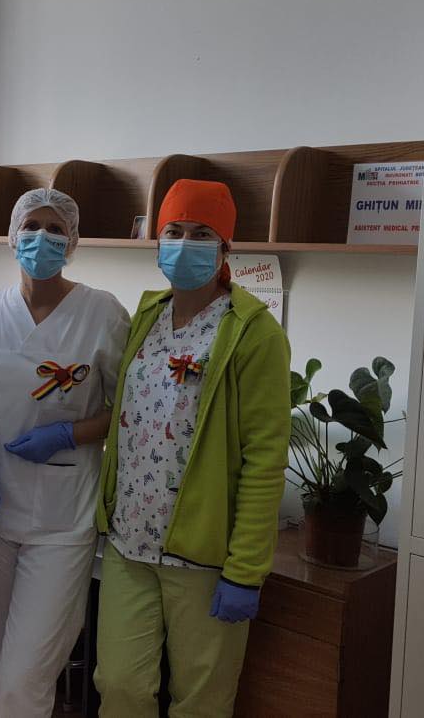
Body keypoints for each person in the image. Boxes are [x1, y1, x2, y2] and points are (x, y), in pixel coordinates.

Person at [93, 179, 291, 717]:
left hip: (204, 557)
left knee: (201, 702)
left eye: (201, 234)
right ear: (157, 240)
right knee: (119, 686)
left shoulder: (253, 332)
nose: (184, 244)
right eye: (174, 231)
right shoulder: (147, 315)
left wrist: (245, 569)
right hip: (129, 541)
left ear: (226, 246)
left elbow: (265, 459)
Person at [0, 189, 129, 717]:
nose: (42, 238)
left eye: (55, 229)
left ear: (73, 241)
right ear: (13, 237)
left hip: (63, 519)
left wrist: (70, 433)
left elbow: (129, 407)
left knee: (25, 677)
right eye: (31, 226)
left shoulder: (102, 312)